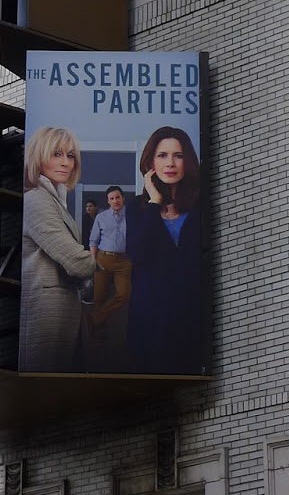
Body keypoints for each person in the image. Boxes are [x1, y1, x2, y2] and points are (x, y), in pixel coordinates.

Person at [19, 126, 99, 372]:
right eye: (56, 154)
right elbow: (77, 262)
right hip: (46, 313)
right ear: (37, 157)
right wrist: (102, 264)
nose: (65, 163)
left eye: (71, 155)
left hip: (63, 311)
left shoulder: (55, 199)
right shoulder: (36, 200)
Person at [126, 126, 204, 375]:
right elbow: (137, 253)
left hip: (192, 320)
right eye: (162, 155)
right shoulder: (137, 208)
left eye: (178, 155)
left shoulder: (201, 206)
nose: (170, 163)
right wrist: (154, 203)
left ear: (188, 161)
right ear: (150, 162)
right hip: (150, 321)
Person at [87, 186, 131, 341]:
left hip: (124, 260)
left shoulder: (132, 216)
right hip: (103, 258)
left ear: (123, 198)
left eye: (117, 197)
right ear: (108, 201)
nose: (115, 201)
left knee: (124, 294)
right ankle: (98, 330)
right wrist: (93, 261)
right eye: (111, 198)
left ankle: (94, 317)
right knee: (99, 296)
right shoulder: (101, 217)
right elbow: (93, 241)